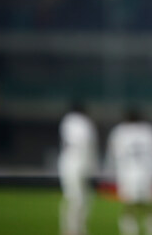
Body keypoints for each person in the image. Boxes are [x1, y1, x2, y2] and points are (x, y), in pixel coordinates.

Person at [106, 109, 152, 235]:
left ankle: (130, 231)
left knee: (129, 208)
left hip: (128, 176)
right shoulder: (148, 131)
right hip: (147, 175)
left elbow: (114, 156)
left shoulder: (119, 132)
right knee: (150, 208)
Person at [58, 101, 98, 235]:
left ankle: (72, 229)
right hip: (79, 160)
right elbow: (87, 144)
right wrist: (93, 166)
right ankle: (74, 229)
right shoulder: (84, 122)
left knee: (74, 197)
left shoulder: (66, 121)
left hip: (67, 160)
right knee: (80, 198)